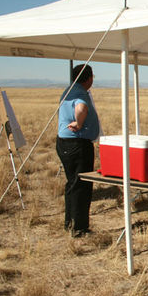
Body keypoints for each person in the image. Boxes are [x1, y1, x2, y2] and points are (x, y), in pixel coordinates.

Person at [56, 64, 99, 238]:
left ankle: (70, 223)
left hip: (65, 143)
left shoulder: (68, 90)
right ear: (88, 78)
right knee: (81, 184)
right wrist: (79, 123)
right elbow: (81, 108)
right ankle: (79, 228)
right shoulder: (80, 93)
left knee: (72, 183)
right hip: (77, 144)